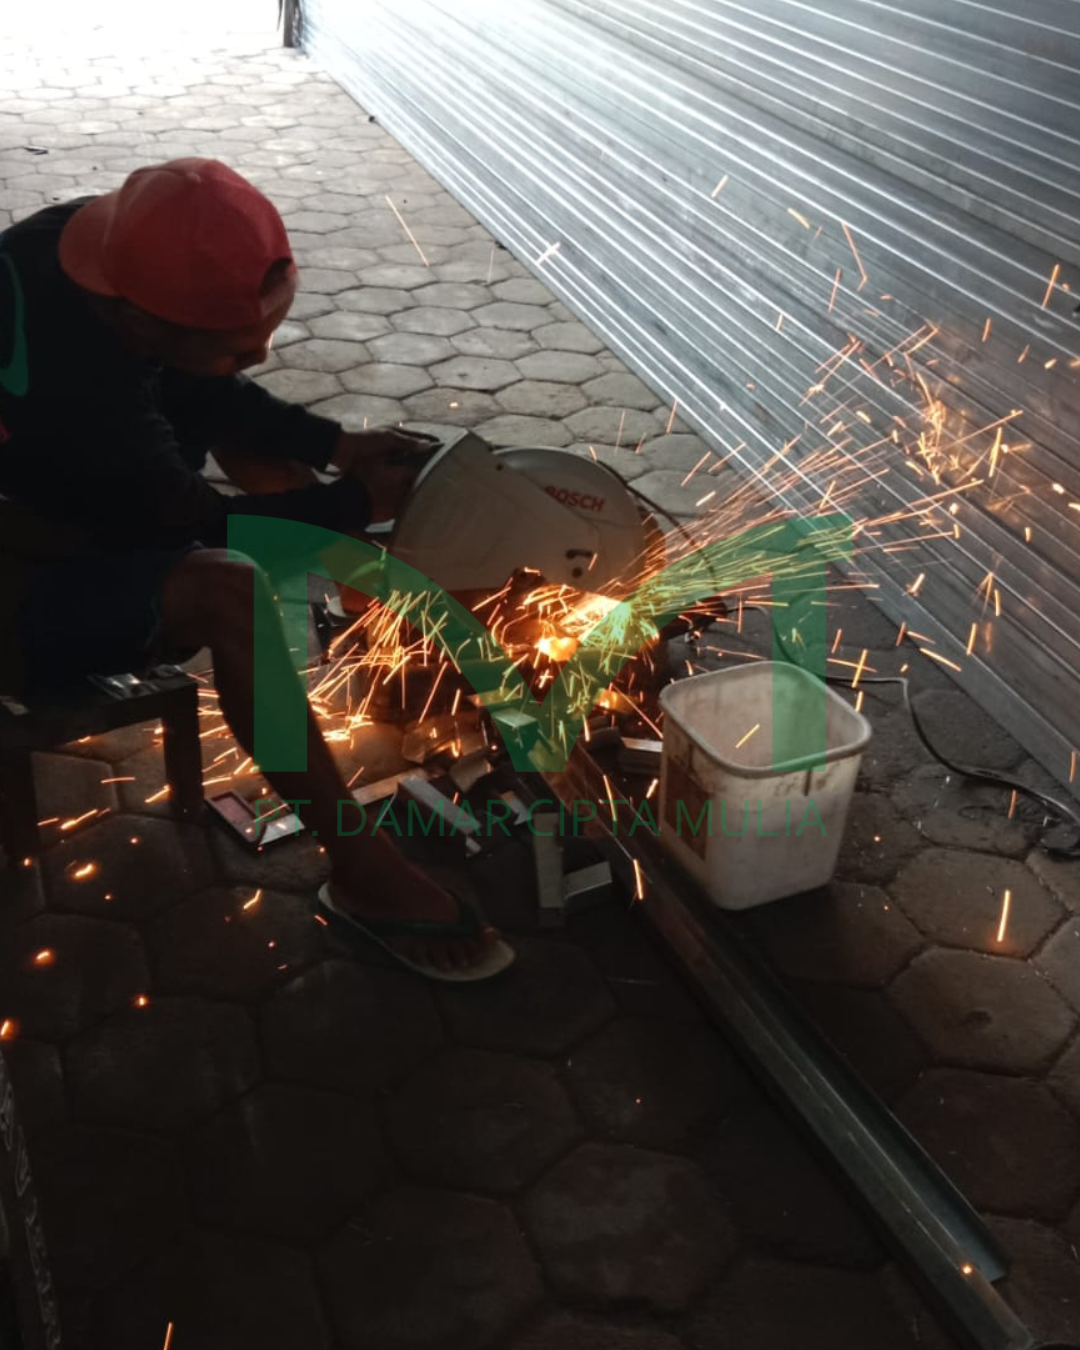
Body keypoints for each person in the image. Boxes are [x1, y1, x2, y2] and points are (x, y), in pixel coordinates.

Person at [0, 157, 514, 981]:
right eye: (243, 343)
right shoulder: (75, 397)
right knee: (229, 590)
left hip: (51, 485)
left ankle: (385, 655)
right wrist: (351, 503)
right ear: (136, 322)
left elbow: (199, 386)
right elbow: (199, 522)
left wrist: (335, 447)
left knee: (249, 432)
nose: (264, 355)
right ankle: (362, 871)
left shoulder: (97, 247)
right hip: (15, 577)